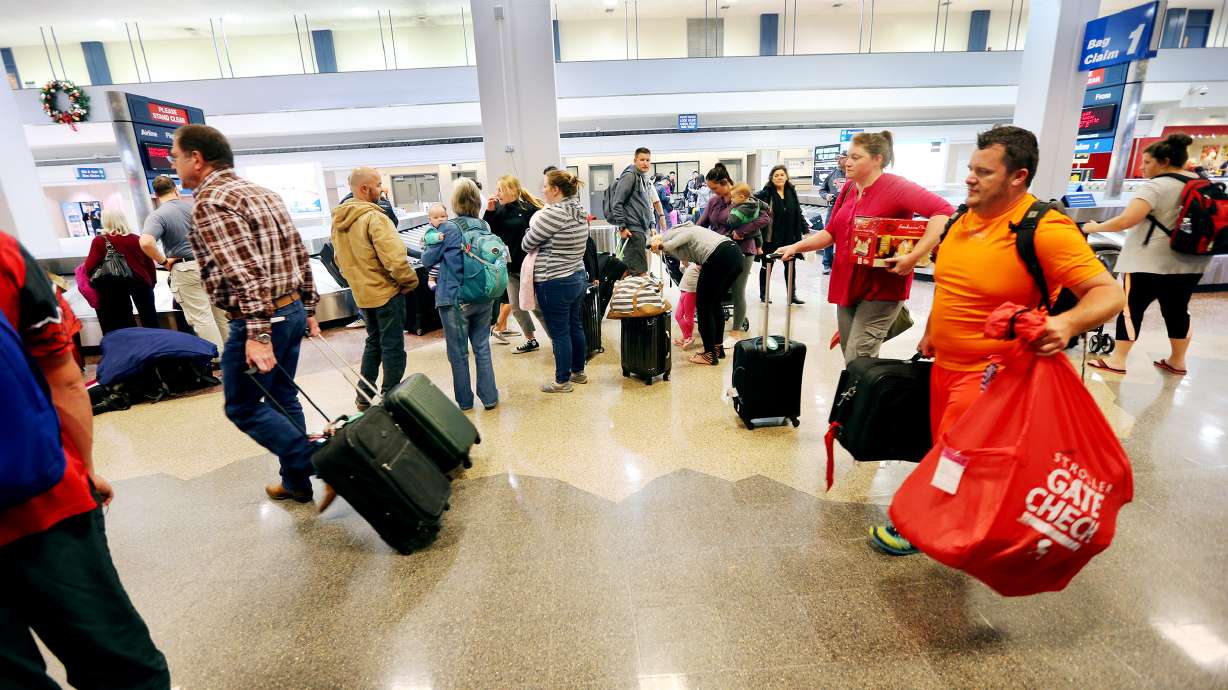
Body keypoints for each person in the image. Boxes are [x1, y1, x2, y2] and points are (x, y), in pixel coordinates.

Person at [870, 125, 1123, 556]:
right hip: (945, 366)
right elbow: (952, 287)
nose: (970, 177)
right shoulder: (959, 223)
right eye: (971, 168)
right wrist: (932, 330)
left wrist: (1066, 325)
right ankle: (966, 520)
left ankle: (922, 527)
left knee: (955, 453)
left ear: (1017, 176)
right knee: (947, 449)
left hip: (993, 374)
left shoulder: (1044, 228)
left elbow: (1109, 293)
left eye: (983, 172)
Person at [0, 231, 170, 689]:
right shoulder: (5, 254)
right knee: (120, 667)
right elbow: (65, 378)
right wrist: (87, 469)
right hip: (42, 503)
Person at [171, 124, 321, 503]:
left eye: (176, 156)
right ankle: (296, 482)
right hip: (292, 309)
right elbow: (299, 251)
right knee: (283, 396)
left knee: (241, 406)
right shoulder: (263, 193)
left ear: (197, 159)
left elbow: (246, 274)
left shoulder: (211, 202)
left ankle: (317, 463)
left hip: (260, 319)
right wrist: (310, 306)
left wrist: (257, 335)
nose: (174, 164)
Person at [778, 131, 953, 364]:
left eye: (856, 157)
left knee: (859, 357)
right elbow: (831, 232)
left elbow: (944, 212)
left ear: (877, 159)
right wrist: (797, 246)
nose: (847, 162)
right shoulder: (849, 188)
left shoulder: (897, 187)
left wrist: (915, 255)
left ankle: (857, 399)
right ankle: (858, 399)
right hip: (847, 286)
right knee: (852, 357)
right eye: (848, 156)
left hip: (881, 289)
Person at [1083, 133, 1210, 376]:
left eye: (1147, 162)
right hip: (1190, 263)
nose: (1142, 168)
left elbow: (1126, 220)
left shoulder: (1156, 185)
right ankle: (1178, 361)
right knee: (1177, 310)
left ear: (1164, 161)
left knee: (1131, 308)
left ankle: (1118, 360)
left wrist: (1094, 227)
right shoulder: (1202, 184)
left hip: (1147, 262)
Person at [331, 167, 419, 407]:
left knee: (373, 344)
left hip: (363, 296)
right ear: (364, 188)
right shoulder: (375, 217)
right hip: (387, 294)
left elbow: (339, 260)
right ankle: (389, 399)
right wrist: (409, 282)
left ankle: (363, 395)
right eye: (378, 185)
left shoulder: (338, 220)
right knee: (393, 348)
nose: (381, 190)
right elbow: (395, 258)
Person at [422, 178, 499, 410]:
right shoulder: (484, 226)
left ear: (454, 202)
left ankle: (465, 402)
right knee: (482, 347)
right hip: (483, 295)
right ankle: (490, 398)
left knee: (458, 353)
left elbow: (427, 260)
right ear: (477, 201)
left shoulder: (448, 227)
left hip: (455, 297)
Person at [139, 174, 227, 352]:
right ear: (176, 190)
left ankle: (218, 358)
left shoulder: (158, 215)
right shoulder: (196, 208)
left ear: (156, 195)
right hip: (212, 266)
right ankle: (235, 356)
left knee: (202, 316)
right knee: (221, 314)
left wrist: (164, 262)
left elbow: (146, 242)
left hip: (186, 268)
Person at [523, 169, 590, 393]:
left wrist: (530, 230)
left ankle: (562, 381)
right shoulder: (579, 210)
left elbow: (527, 243)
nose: (542, 190)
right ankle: (578, 372)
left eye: (545, 186)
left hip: (554, 280)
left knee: (559, 333)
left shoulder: (553, 214)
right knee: (575, 326)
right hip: (577, 276)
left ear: (555, 190)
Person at [697, 162, 769, 343]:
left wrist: (741, 232)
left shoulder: (743, 196)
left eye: (714, 188)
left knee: (738, 290)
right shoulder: (714, 201)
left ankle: (736, 330)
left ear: (724, 183)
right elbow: (703, 222)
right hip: (719, 250)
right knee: (718, 291)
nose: (713, 192)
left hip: (743, 249)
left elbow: (765, 217)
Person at [650, 224, 743, 365]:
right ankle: (717, 349)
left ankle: (709, 354)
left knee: (704, 307)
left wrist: (661, 246)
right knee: (715, 303)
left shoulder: (679, 234)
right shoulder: (692, 229)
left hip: (718, 257)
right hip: (734, 254)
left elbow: (676, 241)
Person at [484, 174, 545, 353]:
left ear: (512, 190)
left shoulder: (529, 208)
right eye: (497, 190)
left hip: (529, 267)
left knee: (538, 308)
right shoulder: (496, 210)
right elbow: (488, 232)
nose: (498, 193)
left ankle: (555, 339)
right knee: (517, 309)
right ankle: (531, 340)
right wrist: (488, 211)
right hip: (509, 268)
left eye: (501, 189)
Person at [83, 209, 158, 334]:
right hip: (141, 282)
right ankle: (157, 345)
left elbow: (89, 267)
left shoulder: (100, 241)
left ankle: (131, 346)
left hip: (115, 286)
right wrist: (151, 282)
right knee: (149, 317)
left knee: (123, 319)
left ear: (104, 222)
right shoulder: (137, 239)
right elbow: (149, 264)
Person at [608, 147, 667, 276]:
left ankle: (619, 293)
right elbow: (617, 203)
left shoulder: (644, 178)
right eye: (642, 160)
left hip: (641, 229)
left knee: (632, 269)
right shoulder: (629, 176)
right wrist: (622, 227)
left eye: (648, 160)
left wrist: (651, 224)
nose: (645, 163)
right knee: (639, 272)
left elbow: (647, 204)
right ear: (635, 160)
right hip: (632, 230)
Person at [757, 165, 808, 305]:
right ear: (771, 178)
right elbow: (752, 199)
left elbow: (798, 210)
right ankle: (764, 294)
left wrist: (804, 228)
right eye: (776, 175)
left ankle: (792, 295)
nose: (779, 177)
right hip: (771, 237)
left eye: (782, 175)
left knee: (791, 265)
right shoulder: (767, 192)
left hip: (789, 236)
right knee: (767, 265)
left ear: (786, 176)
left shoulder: (791, 191)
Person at [818, 151, 849, 274]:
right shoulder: (832, 174)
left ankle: (842, 264)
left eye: (841, 158)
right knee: (829, 235)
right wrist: (826, 196)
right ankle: (827, 264)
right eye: (838, 158)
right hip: (833, 209)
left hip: (848, 210)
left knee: (846, 236)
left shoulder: (854, 175)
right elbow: (822, 190)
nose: (838, 160)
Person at [673, 261, 700, 350]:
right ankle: (687, 337)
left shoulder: (699, 263)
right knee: (678, 316)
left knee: (689, 316)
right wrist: (684, 263)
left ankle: (688, 337)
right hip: (684, 290)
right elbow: (683, 269)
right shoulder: (691, 263)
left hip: (691, 291)